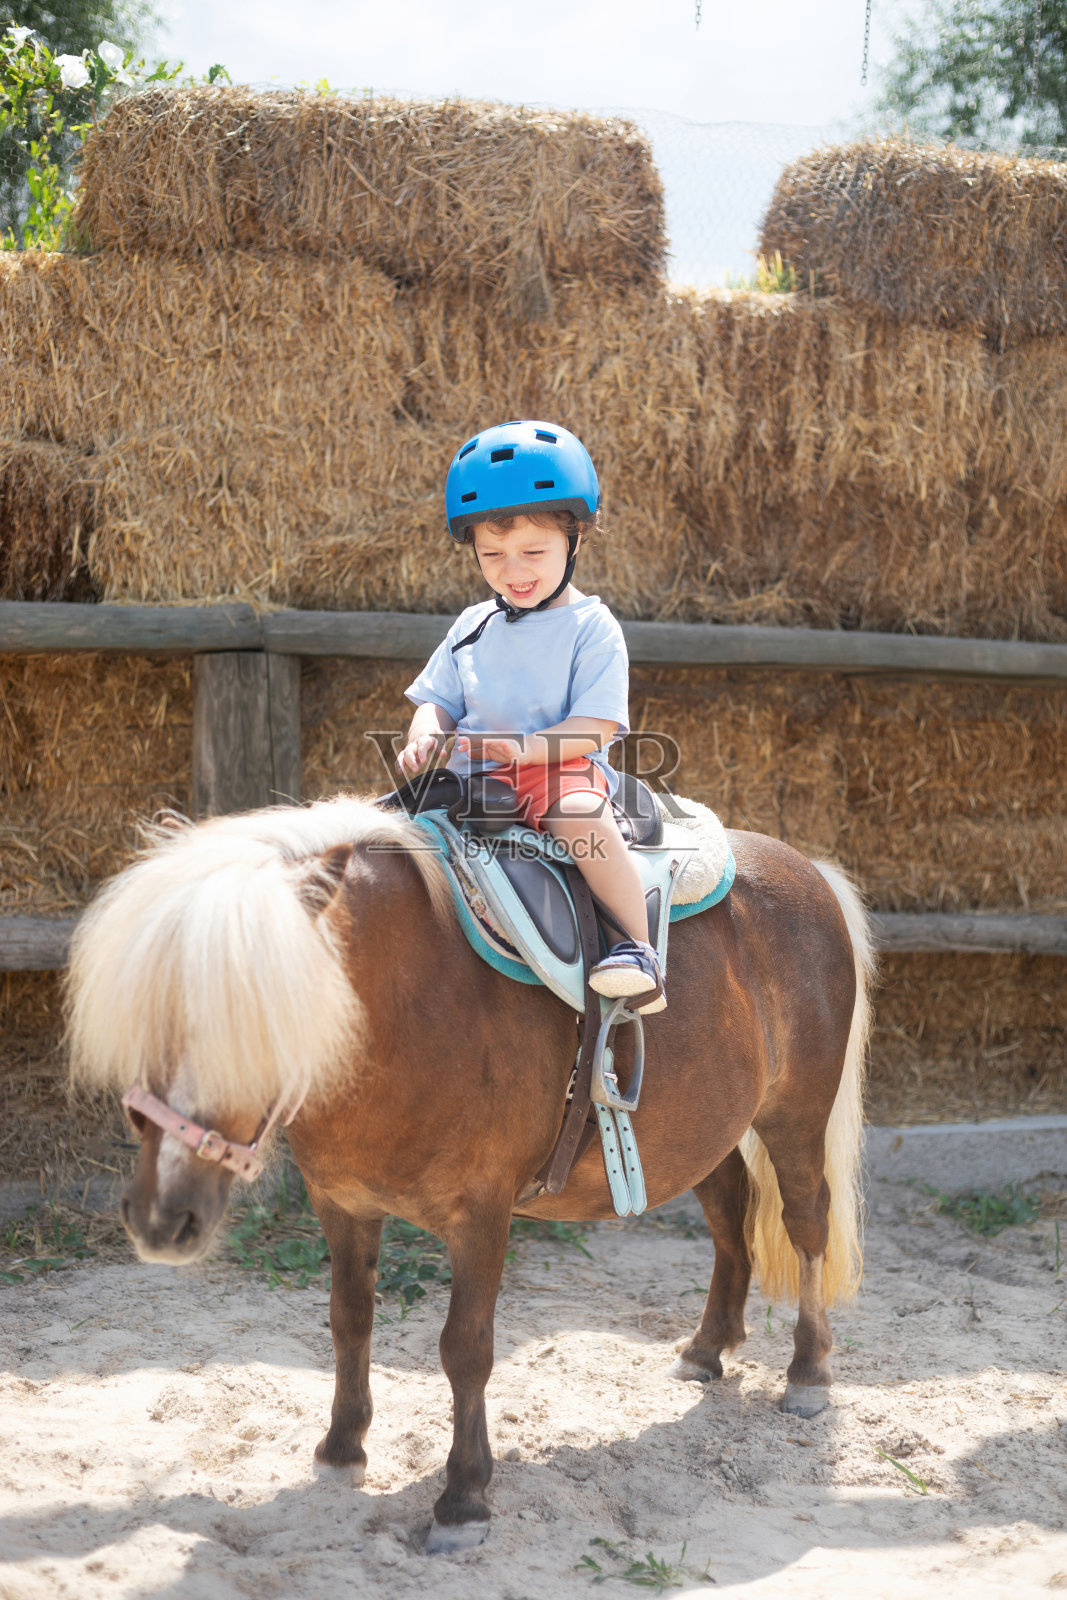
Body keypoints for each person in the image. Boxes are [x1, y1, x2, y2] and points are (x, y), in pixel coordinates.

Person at [397, 419, 665, 1013]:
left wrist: (525, 749)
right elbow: (436, 702)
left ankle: (636, 947)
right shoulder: (470, 626)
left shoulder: (592, 628)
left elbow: (595, 727)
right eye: (492, 554)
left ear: (576, 538)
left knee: (581, 818)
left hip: (556, 769)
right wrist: (425, 738)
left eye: (533, 552)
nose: (513, 570)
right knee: (390, 835)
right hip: (471, 776)